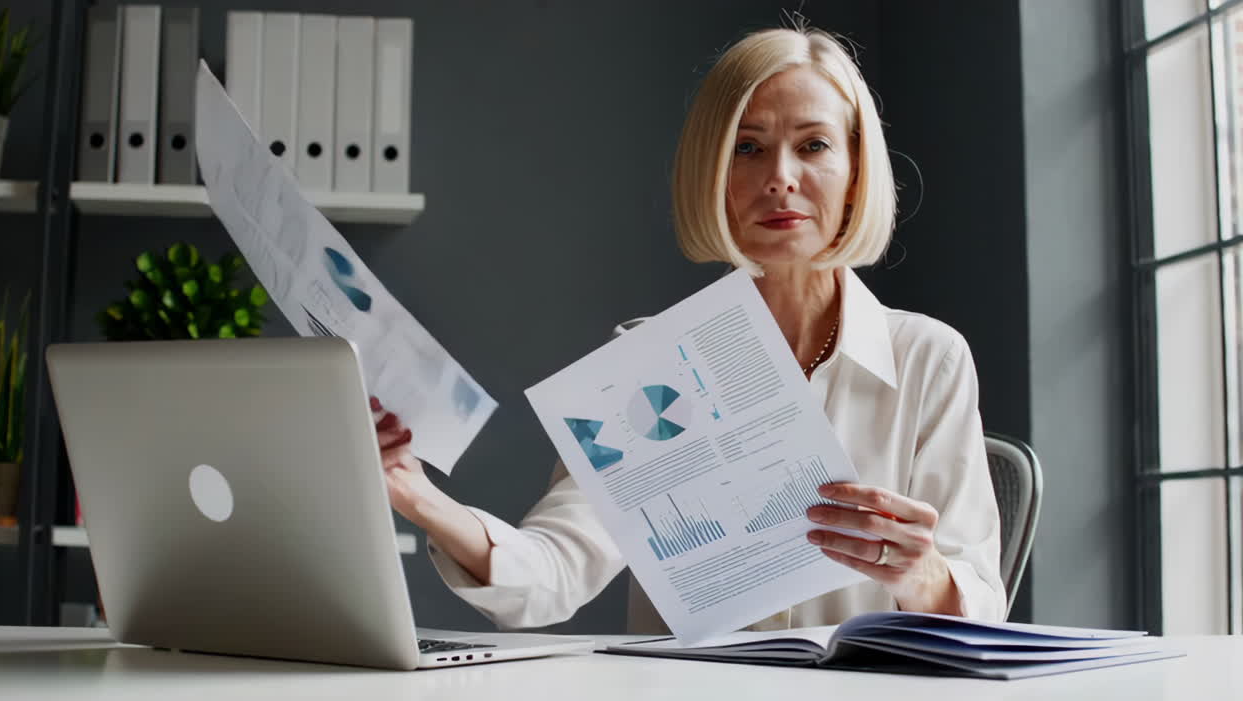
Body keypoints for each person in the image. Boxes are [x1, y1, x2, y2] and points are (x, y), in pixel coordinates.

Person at [370, 25, 1006, 633]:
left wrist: (920, 571)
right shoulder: (650, 361)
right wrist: (417, 495)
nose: (780, 176)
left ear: (856, 172)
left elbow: (979, 608)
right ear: (716, 176)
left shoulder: (929, 359)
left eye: (813, 145)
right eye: (748, 148)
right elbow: (554, 573)